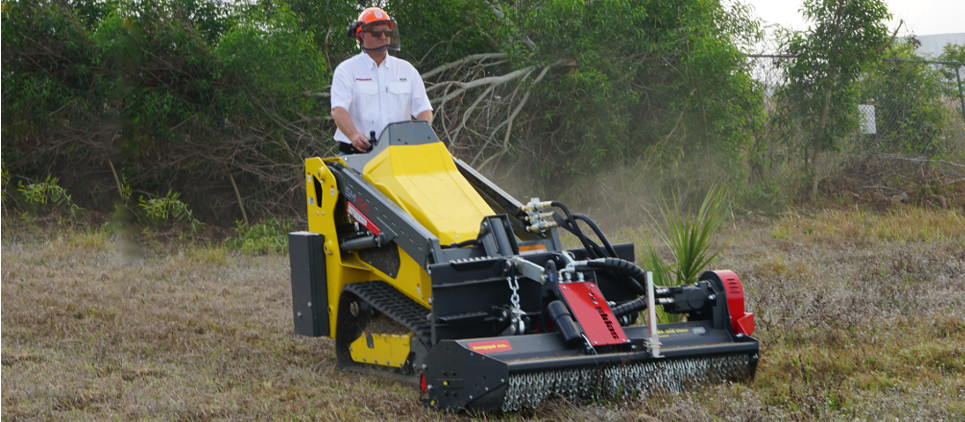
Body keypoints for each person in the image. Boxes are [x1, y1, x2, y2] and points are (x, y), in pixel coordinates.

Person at [330, 7, 433, 154]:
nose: (383, 36)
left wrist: (420, 135)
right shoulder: (346, 70)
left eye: (387, 32)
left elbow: (424, 109)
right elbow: (338, 110)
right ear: (361, 35)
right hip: (358, 155)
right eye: (376, 32)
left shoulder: (407, 70)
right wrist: (353, 135)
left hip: (400, 153)